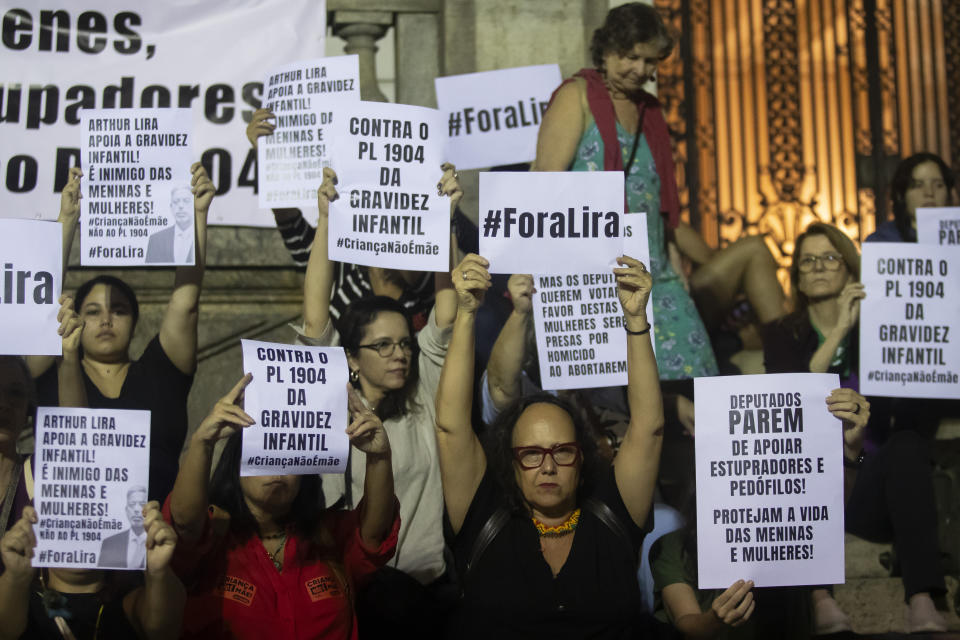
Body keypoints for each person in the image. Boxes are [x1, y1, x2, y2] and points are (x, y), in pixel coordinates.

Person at [534, 2, 786, 379]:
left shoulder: (650, 111)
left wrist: (680, 262)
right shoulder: (577, 97)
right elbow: (542, 186)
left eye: (651, 61)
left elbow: (661, 207)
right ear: (605, 51)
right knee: (628, 392)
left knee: (697, 377)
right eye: (631, 57)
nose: (642, 70)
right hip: (596, 275)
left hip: (659, 272)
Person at [435, 251, 662, 637]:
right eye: (531, 454)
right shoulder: (484, 516)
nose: (549, 466)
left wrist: (636, 320)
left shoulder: (612, 513)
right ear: (510, 461)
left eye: (562, 451)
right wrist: (467, 313)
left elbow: (649, 428)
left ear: (582, 456)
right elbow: (451, 427)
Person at [294, 166, 462, 637]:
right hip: (346, 598)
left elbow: (446, 313)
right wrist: (327, 219)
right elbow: (314, 312)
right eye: (383, 346)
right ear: (350, 357)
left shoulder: (424, 393)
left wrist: (444, 223)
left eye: (405, 344)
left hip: (425, 600)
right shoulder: (327, 395)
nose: (399, 355)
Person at [762, 222, 949, 633]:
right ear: (796, 277)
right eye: (807, 261)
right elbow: (790, 396)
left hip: (870, 482)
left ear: (849, 268)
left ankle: (921, 601)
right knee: (792, 460)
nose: (818, 268)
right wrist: (841, 329)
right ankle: (819, 597)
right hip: (807, 487)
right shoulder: (780, 334)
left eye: (829, 257)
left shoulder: (880, 331)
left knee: (907, 444)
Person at [26, 162, 214, 503]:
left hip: (158, 536)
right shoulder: (50, 370)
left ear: (135, 321)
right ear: (73, 318)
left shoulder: (162, 370)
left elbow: (186, 302)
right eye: (92, 312)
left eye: (119, 310)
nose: (106, 320)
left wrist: (197, 216)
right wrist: (67, 220)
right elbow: (37, 303)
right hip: (75, 531)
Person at [161, 375, 399, 639]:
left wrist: (379, 456)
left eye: (289, 455)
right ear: (237, 464)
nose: (277, 465)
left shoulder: (329, 537)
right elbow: (182, 522)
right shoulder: (213, 537)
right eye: (265, 451)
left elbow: (375, 533)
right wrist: (202, 443)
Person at [246, 109, 478, 333]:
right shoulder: (336, 263)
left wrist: (441, 212)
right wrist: (269, 158)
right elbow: (290, 222)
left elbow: (445, 320)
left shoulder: (423, 274)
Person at [0, 502, 186, 640]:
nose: (79, 529)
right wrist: (14, 578)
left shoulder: (129, 602)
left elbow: (163, 629)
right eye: (67, 519)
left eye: (91, 519)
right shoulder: (19, 600)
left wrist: (158, 573)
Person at [867, 152, 956, 243]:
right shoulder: (882, 240)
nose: (929, 193)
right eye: (918, 186)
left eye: (938, 185)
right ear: (900, 195)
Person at [98, 486, 149, 569]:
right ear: (126, 510)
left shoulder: (158, 542)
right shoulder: (109, 543)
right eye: (132, 504)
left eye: (142, 504)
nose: (136, 509)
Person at [145, 187, 195, 264]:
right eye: (176, 202)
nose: (180, 206)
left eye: (186, 201)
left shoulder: (204, 237)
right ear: (171, 207)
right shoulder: (156, 240)